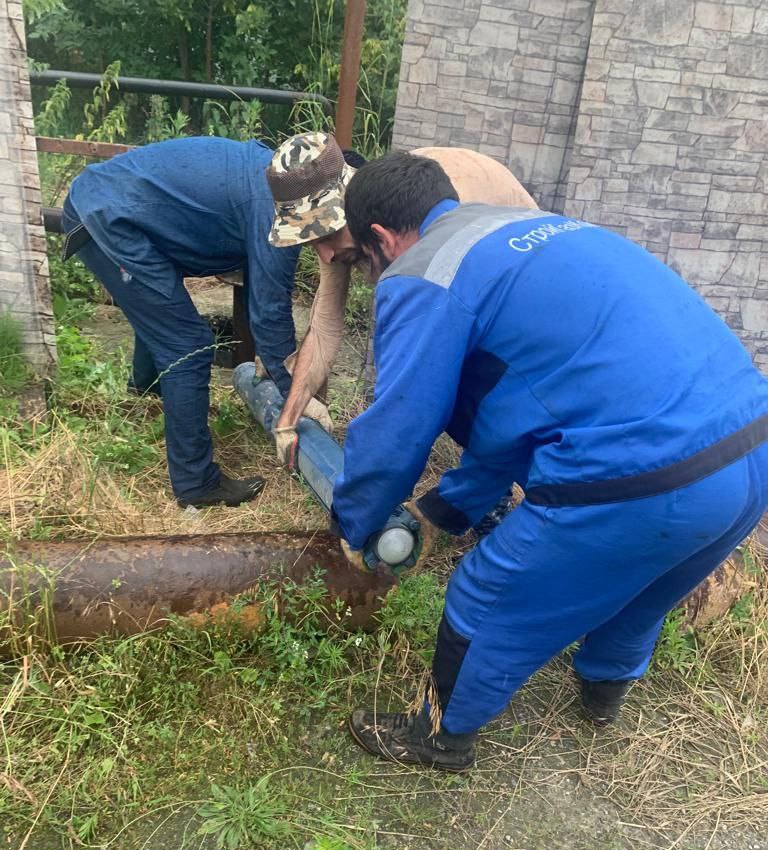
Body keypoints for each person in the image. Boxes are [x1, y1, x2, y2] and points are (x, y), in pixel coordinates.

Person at [329, 152, 768, 772]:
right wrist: (443, 511)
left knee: (483, 595)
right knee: (645, 586)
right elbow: (526, 410)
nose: (370, 276)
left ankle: (440, 735)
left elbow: (401, 423)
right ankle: (603, 690)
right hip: (750, 445)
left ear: (381, 238)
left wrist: (356, 522)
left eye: (360, 262)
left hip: (651, 471)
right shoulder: (522, 230)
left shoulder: (424, 272)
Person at [62, 136, 329, 508]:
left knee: (163, 316)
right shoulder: (280, 210)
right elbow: (270, 312)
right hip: (110, 218)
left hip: (111, 204)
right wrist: (298, 398)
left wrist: (275, 362)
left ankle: (149, 394)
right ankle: (196, 484)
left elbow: (264, 293)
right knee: (186, 346)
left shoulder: (276, 177)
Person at [265, 132, 538, 468]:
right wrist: (288, 420)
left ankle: (490, 489)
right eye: (310, 241)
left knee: (472, 377)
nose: (325, 254)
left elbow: (430, 349)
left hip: (511, 256)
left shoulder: (423, 214)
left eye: (328, 235)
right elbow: (324, 324)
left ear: (351, 209)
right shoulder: (341, 234)